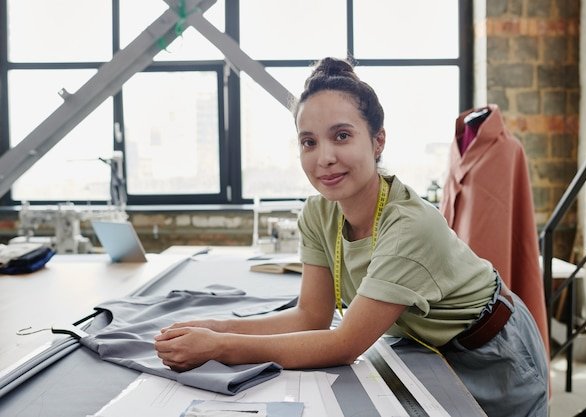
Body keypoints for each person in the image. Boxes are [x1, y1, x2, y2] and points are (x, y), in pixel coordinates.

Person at [154, 57, 548, 416]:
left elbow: (345, 345)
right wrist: (213, 327)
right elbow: (311, 315)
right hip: (429, 347)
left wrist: (220, 347)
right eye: (309, 141)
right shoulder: (318, 212)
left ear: (378, 142)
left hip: (494, 350)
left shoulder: (409, 224)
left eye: (341, 136)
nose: (323, 157)